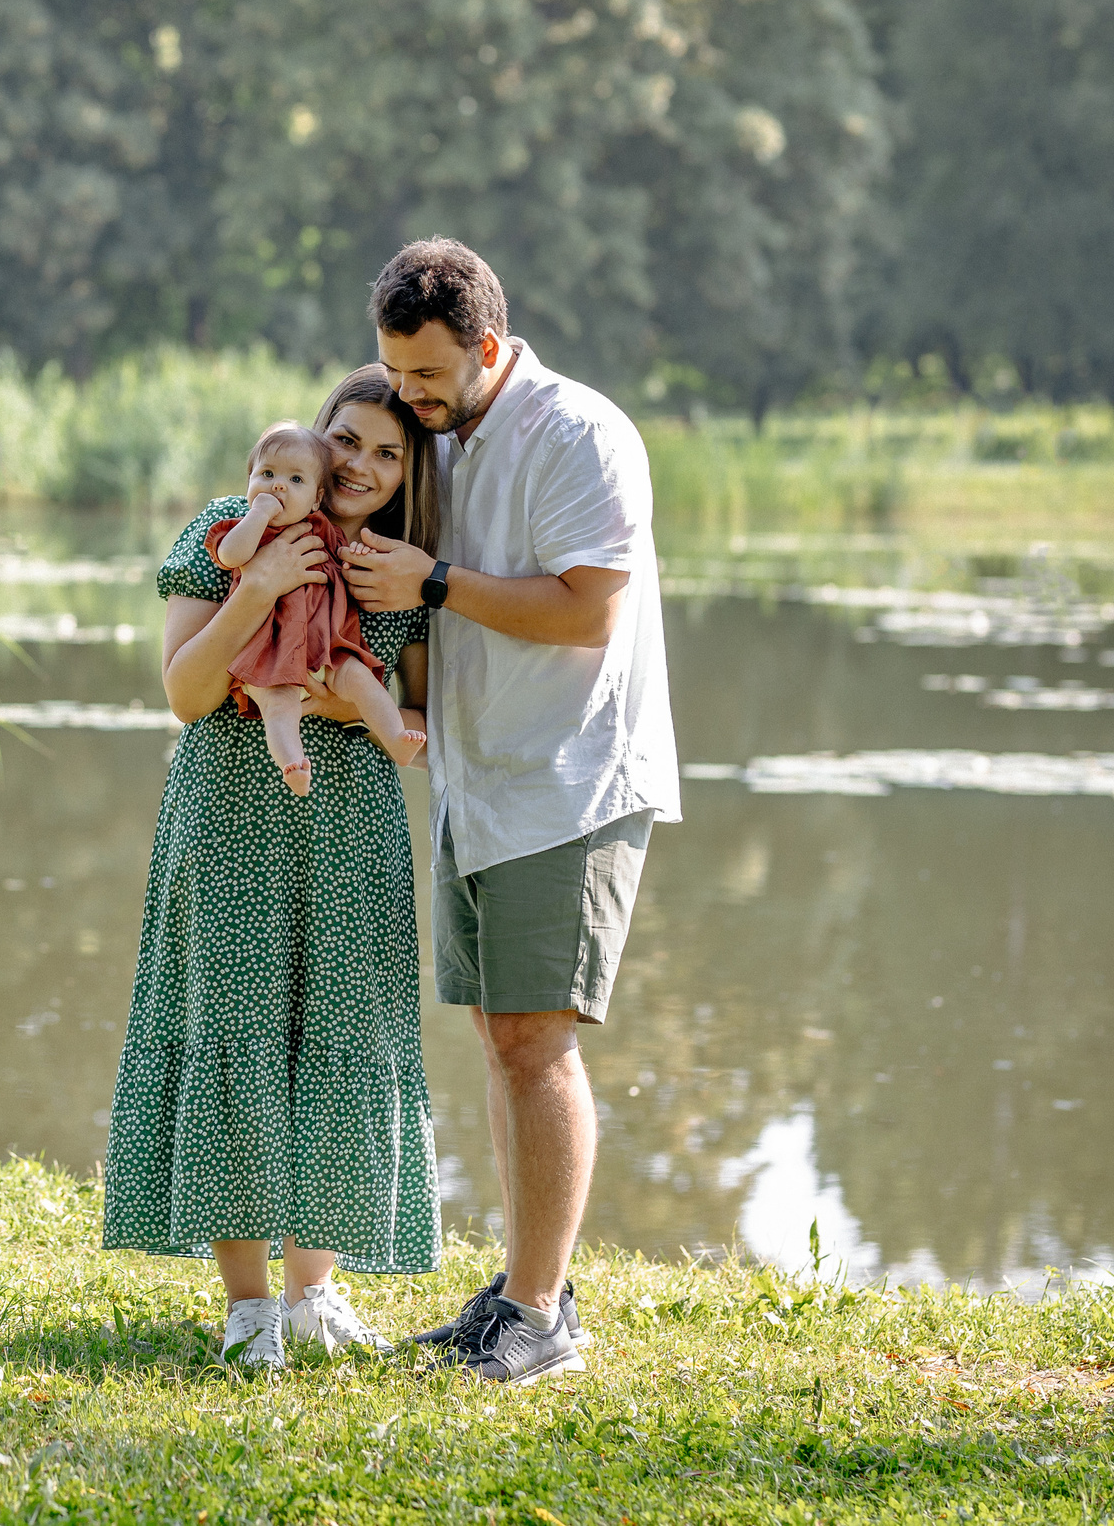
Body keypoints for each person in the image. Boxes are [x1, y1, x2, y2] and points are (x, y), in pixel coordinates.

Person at [338, 237, 680, 1386]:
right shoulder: (443, 436)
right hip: (479, 785)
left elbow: (588, 613)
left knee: (537, 1043)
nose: (409, 396)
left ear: (487, 347)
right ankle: (523, 1293)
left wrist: (431, 583)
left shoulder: (578, 432)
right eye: (394, 371)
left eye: (428, 375)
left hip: (568, 781)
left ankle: (538, 1318)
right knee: (501, 1039)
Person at [101, 366, 445, 1371]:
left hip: (351, 826)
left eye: (389, 453)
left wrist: (338, 700)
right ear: (313, 433)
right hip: (231, 816)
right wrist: (255, 589)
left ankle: (313, 1296)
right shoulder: (228, 524)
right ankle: (247, 1307)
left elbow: (419, 720)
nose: (360, 466)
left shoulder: (402, 569)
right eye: (347, 440)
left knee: (340, 1034)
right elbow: (184, 692)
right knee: (233, 1028)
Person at [206, 421, 425, 795]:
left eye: (295, 480)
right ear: (248, 482)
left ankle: (396, 737)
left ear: (315, 499)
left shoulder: (320, 527)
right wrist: (257, 516)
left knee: (362, 682)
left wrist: (356, 555)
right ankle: (292, 762)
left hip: (327, 647)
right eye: (267, 474)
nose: (277, 486)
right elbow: (230, 555)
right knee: (279, 705)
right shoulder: (242, 528)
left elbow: (342, 559)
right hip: (269, 654)